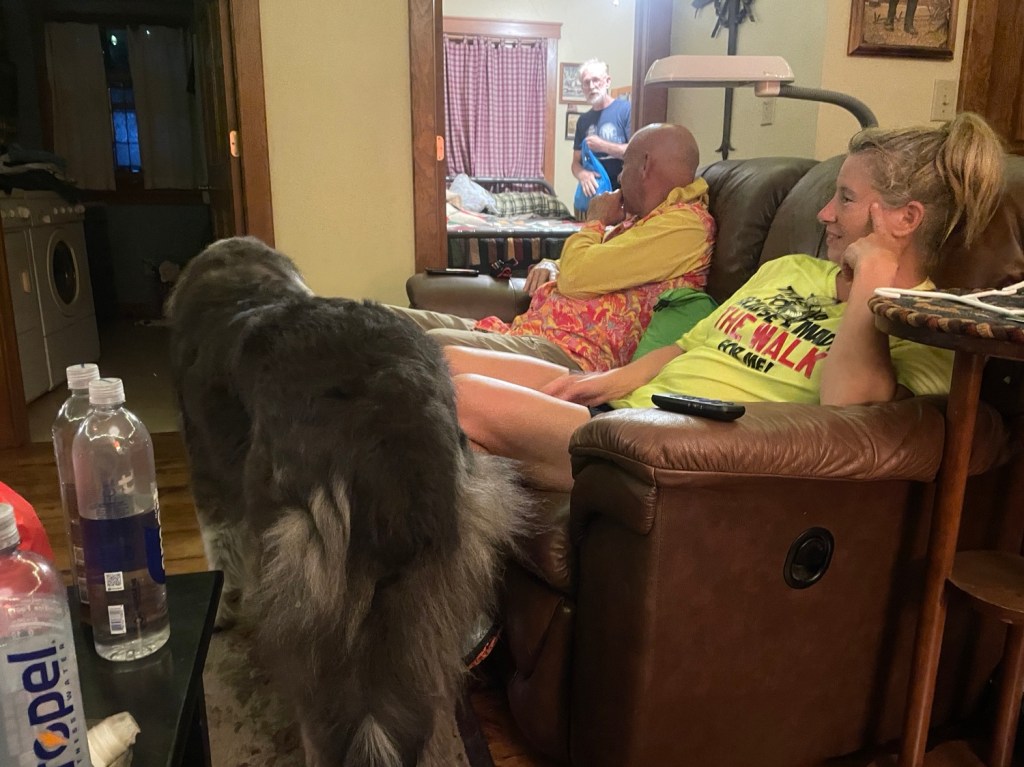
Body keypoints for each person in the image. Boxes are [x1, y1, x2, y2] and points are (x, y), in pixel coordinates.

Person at [447, 113, 1005, 492]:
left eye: (846, 199)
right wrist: (607, 380)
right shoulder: (790, 269)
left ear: (905, 219)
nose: (824, 214)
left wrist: (874, 278)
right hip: (624, 410)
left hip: (667, 448)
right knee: (439, 364)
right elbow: (687, 347)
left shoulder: (926, 328)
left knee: (460, 399)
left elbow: (848, 414)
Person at [394, 123, 715, 373]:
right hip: (528, 332)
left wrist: (595, 220)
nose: (619, 176)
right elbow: (589, 265)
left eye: (624, 165)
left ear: (645, 166)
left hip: (571, 355)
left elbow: (577, 276)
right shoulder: (643, 221)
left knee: (424, 346)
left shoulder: (685, 226)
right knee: (389, 321)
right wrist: (552, 264)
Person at [572, 59, 632, 196]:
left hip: (624, 193)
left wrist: (602, 146)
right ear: (582, 88)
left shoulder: (626, 110)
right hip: (594, 194)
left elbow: (635, 152)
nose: (591, 86)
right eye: (586, 82)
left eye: (596, 80)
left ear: (607, 82)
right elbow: (575, 163)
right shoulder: (583, 121)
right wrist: (582, 174)